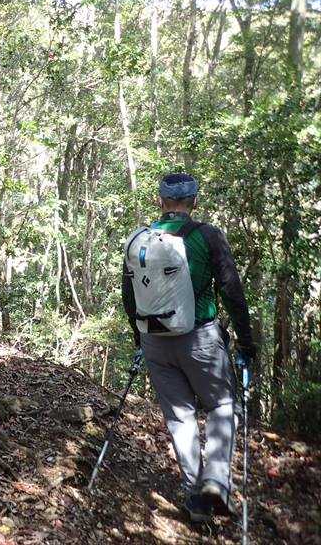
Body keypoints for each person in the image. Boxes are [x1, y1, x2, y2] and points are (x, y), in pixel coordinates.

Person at [121, 172, 256, 522]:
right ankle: (215, 482)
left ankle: (195, 496)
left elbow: (129, 297)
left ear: (160, 201)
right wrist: (246, 342)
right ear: (194, 201)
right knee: (222, 405)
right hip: (201, 339)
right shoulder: (207, 236)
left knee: (180, 418)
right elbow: (232, 291)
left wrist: (140, 340)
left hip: (154, 342)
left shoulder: (139, 240)